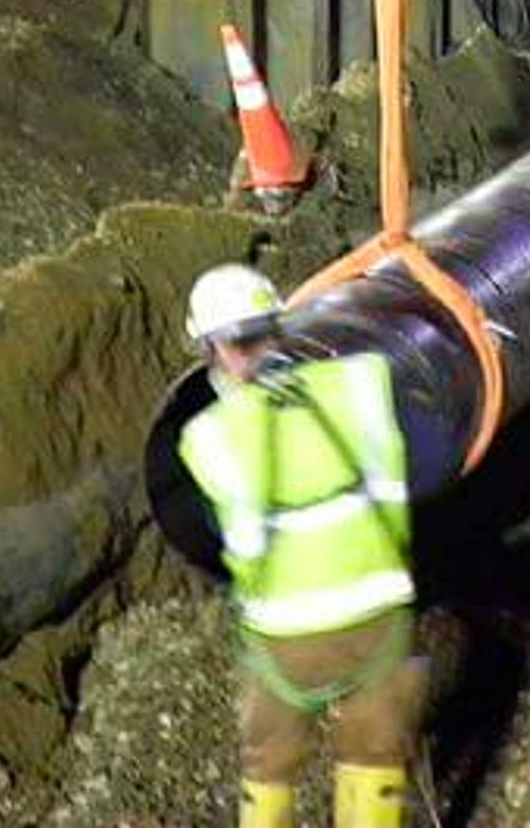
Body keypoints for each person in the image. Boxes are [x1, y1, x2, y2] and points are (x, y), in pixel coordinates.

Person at [176, 265, 427, 828]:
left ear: (213, 346)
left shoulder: (210, 435)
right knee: (374, 753)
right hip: (379, 611)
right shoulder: (359, 382)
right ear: (278, 328)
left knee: (268, 761)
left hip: (289, 631)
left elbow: (244, 542)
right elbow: (391, 486)